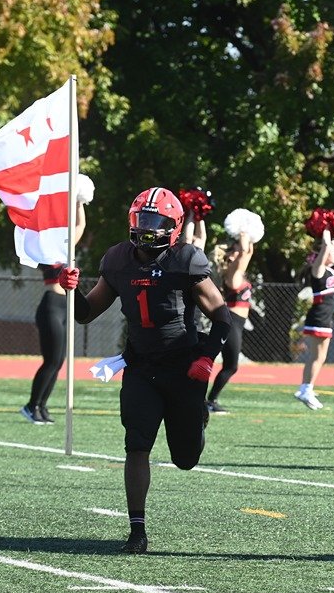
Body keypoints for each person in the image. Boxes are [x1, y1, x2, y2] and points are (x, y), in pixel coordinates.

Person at [59, 186, 232, 554]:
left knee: (185, 459)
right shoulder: (119, 259)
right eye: (143, 220)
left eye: (156, 222)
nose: (148, 228)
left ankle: (197, 418)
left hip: (183, 368)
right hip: (141, 367)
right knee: (136, 445)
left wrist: (208, 358)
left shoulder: (185, 260)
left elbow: (222, 317)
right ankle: (137, 530)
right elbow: (86, 314)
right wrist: (71, 290)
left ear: (174, 225)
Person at [22, 197, 87, 424]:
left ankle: (41, 405)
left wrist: (79, 202)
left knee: (59, 361)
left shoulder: (64, 247)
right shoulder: (43, 249)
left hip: (64, 306)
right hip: (51, 305)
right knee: (50, 360)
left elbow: (80, 227)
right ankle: (31, 405)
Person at [207, 227, 256, 414]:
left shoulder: (238, 270)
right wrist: (243, 233)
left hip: (237, 324)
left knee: (228, 365)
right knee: (231, 366)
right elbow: (244, 252)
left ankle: (209, 400)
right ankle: (210, 401)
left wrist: (249, 236)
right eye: (235, 250)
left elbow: (248, 251)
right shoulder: (232, 271)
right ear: (230, 255)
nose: (241, 252)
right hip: (232, 323)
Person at [294, 229, 334, 410]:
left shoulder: (328, 270)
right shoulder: (318, 270)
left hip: (324, 318)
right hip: (319, 317)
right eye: (333, 252)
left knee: (319, 356)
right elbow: (327, 246)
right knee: (316, 357)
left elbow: (330, 246)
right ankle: (306, 389)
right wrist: (327, 228)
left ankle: (306, 388)